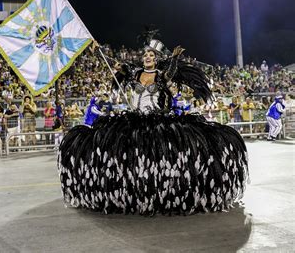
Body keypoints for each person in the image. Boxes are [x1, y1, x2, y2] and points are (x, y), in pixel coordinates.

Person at [58, 38, 248, 215]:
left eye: (151, 55)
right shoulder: (135, 73)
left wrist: (173, 59)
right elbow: (115, 65)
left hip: (158, 122)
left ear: (156, 59)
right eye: (145, 55)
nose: (147, 57)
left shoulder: (162, 75)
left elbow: (171, 74)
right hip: (135, 121)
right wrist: (100, 52)